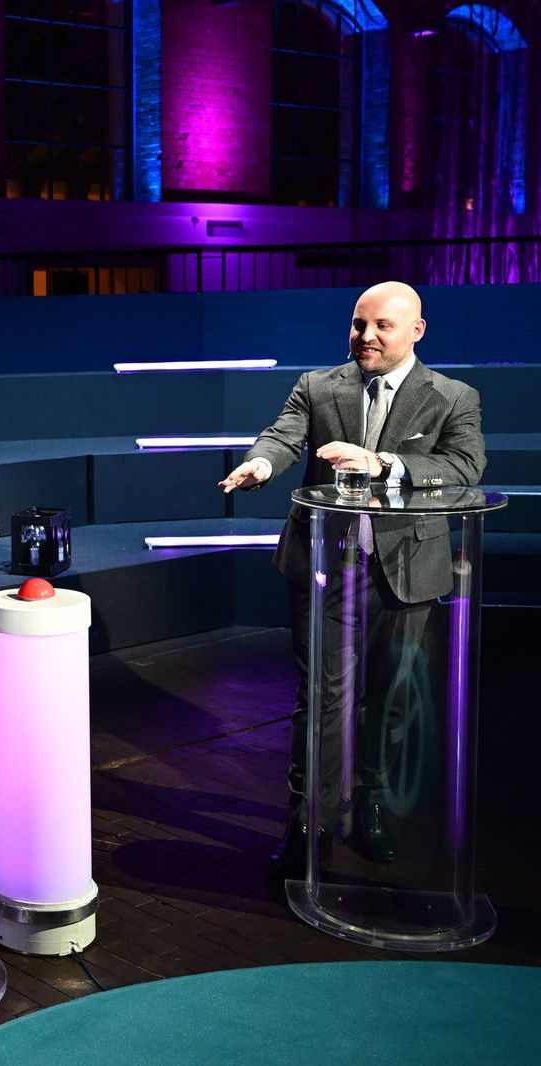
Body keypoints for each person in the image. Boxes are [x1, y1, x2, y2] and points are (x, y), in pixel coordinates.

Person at [219, 281, 484, 880]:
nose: (366, 336)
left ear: (416, 330)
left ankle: (371, 803)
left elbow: (465, 465)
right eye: (360, 323)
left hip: (407, 569)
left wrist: (384, 463)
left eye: (382, 326)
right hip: (325, 566)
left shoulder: (453, 396)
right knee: (322, 698)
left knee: (389, 698)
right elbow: (283, 436)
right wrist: (262, 462)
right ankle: (308, 820)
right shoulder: (318, 385)